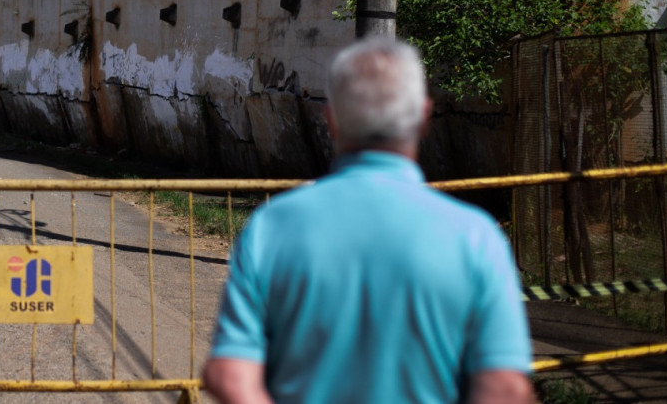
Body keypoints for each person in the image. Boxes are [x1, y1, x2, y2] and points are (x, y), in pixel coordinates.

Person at [203, 36, 533, 404]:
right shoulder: (477, 237)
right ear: (424, 117)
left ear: (331, 119)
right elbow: (505, 389)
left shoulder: (272, 226)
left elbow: (230, 373)